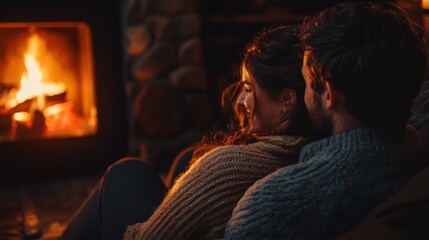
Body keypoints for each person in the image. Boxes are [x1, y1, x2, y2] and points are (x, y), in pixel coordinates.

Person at [60, 25, 313, 240]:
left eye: (249, 88)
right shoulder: (313, 142)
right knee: (186, 159)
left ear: (287, 100)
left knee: (125, 173)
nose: (240, 101)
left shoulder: (227, 168)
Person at [225, 2, 429, 239]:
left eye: (306, 84)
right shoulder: (418, 145)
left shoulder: (271, 206)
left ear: (330, 95)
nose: (305, 96)